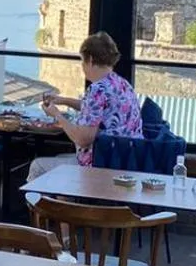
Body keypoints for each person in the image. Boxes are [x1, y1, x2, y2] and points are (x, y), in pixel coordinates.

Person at [26, 32, 142, 181]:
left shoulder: (97, 90)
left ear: (91, 60)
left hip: (99, 168)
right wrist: (64, 101)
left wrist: (57, 115)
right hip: (125, 163)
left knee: (38, 166)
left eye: (82, 61)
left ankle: (43, 204)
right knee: (60, 158)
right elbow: (99, 111)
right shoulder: (122, 85)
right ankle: (64, 202)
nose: (82, 66)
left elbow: (83, 139)